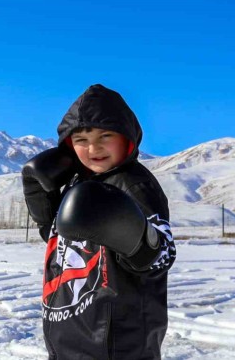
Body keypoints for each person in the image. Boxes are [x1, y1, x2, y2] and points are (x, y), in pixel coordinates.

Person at [22, 84, 176, 360]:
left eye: (106, 135)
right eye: (80, 140)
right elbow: (62, 243)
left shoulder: (134, 185)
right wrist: (39, 197)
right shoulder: (78, 183)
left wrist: (135, 238)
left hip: (117, 343)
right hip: (69, 335)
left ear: (127, 138)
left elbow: (161, 254)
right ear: (68, 147)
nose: (94, 148)